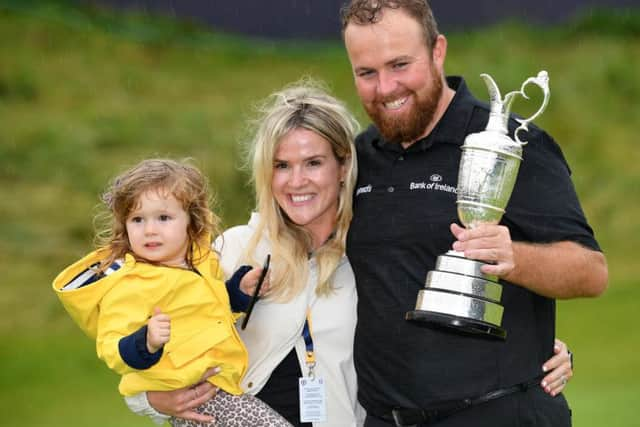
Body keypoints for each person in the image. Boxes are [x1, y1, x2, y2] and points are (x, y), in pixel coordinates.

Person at [127, 83, 575, 427]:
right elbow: (135, 334)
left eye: (313, 163)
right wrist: (151, 399)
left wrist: (536, 348)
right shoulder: (232, 250)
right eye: (281, 166)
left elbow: (436, 332)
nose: (296, 181)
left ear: (343, 166)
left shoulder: (374, 253)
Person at [340, 1, 608, 426]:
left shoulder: (510, 143)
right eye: (366, 73)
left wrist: (515, 258)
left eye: (399, 64)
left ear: (437, 51)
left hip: (500, 413)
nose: (386, 86)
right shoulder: (357, 159)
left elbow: (591, 271)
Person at [52, 158, 291, 427]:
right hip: (200, 397)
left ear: (191, 221)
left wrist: (239, 292)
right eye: (137, 219)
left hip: (220, 387)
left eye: (163, 218)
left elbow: (209, 311)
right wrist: (147, 341)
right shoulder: (130, 284)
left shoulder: (200, 263)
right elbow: (111, 347)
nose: (150, 229)